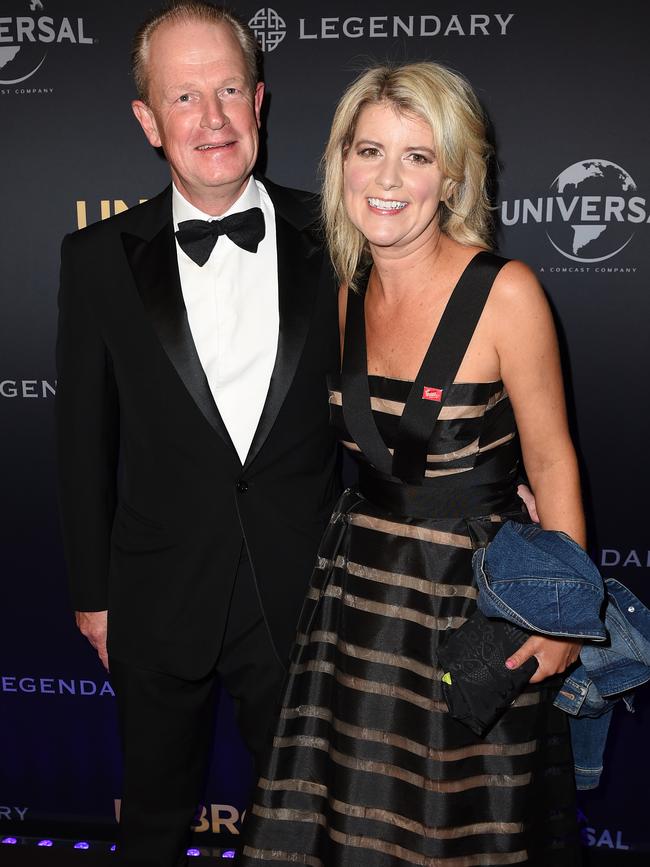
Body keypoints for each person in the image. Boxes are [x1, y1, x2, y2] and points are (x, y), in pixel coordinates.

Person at [240, 63, 584, 865]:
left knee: (460, 826)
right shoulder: (345, 288)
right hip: (360, 597)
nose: (388, 178)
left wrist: (560, 613)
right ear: (341, 164)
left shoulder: (508, 292)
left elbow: (552, 455)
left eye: (418, 156)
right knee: (356, 818)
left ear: (454, 175)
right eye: (370, 150)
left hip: (477, 605)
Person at [54, 2, 340, 864]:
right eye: (184, 98)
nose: (210, 120)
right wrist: (94, 594)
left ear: (258, 101)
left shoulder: (339, 234)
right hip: (153, 593)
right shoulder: (97, 257)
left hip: (302, 594)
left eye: (226, 92)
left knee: (301, 827)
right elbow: (80, 439)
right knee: (150, 817)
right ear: (148, 121)